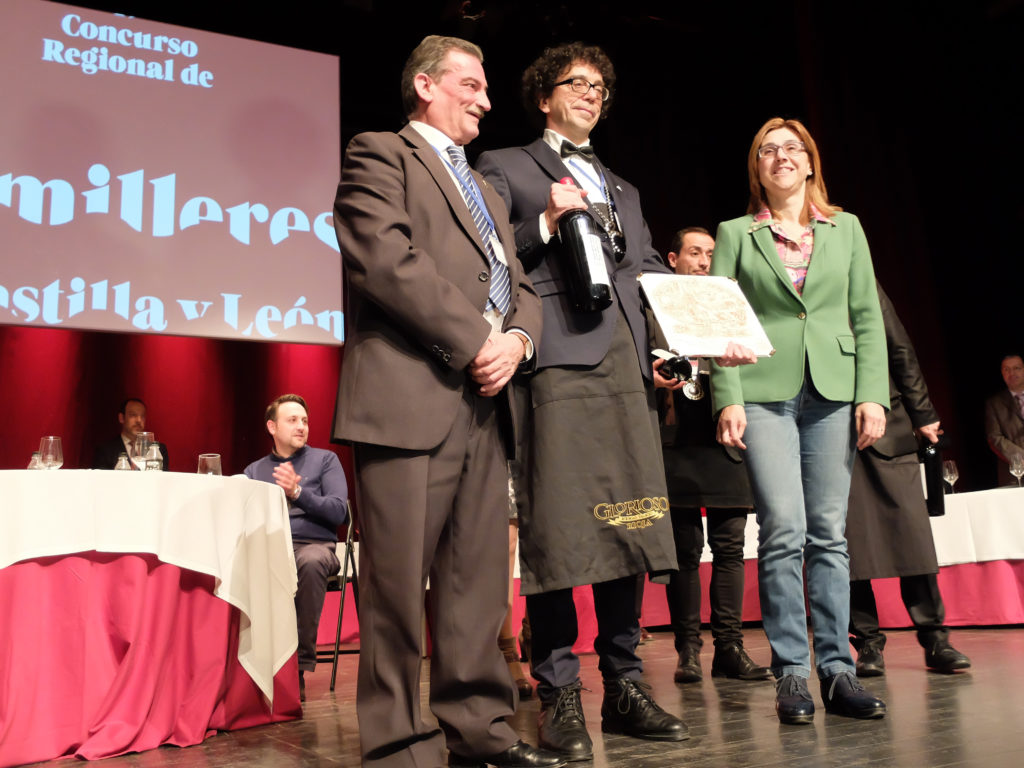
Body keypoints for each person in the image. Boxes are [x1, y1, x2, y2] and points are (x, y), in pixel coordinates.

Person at [477, 42, 751, 760]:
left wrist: (688, 339)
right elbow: (485, 253)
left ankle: (626, 683)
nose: (591, 94)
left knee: (632, 524)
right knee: (563, 531)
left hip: (629, 376)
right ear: (543, 96)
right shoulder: (506, 167)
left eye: (600, 87)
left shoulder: (624, 188)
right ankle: (560, 689)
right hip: (558, 369)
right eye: (576, 83)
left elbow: (649, 277)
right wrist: (543, 224)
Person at [331, 36, 557, 768]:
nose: (485, 101)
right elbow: (383, 258)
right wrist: (476, 339)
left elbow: (519, 283)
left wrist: (517, 340)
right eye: (471, 84)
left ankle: (481, 730)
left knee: (477, 582)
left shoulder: (488, 190)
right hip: (407, 398)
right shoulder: (379, 154)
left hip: (486, 401)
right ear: (426, 86)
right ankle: (399, 741)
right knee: (396, 586)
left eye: (486, 88)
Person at [711, 117, 889, 724]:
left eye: (792, 148)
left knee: (830, 535)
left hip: (834, 392)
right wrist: (726, 397)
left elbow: (866, 315)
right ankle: (792, 674)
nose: (780, 157)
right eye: (767, 150)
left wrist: (874, 395)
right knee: (784, 529)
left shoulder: (847, 230)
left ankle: (838, 670)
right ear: (757, 168)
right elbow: (721, 320)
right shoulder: (735, 233)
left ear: (810, 162)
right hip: (763, 393)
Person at [659, 227, 768, 684]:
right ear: (672, 259)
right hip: (675, 439)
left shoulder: (729, 303)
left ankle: (730, 648)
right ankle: (687, 651)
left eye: (709, 254)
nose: (704, 262)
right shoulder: (656, 305)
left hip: (723, 434)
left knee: (728, 546)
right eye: (694, 253)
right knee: (684, 551)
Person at [846, 286, 971, 677]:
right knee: (847, 543)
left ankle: (935, 638)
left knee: (911, 533)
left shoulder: (861, 279)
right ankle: (867, 642)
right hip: (830, 428)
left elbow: (900, 349)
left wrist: (922, 413)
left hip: (889, 420)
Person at [244, 394, 349, 700]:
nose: (301, 426)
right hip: (270, 550)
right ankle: (242, 668)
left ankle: (295, 666)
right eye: (292, 420)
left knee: (312, 560)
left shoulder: (326, 460)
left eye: (304, 420)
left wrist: (297, 492)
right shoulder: (255, 470)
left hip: (313, 547)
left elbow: (337, 512)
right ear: (272, 427)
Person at [91, 397, 168, 469]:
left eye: (143, 416)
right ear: (121, 418)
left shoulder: (158, 450)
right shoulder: (106, 450)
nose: (139, 420)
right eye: (133, 415)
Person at [984, 354, 1024, 486]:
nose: (1011, 373)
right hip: (1015, 473)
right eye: (1006, 369)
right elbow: (994, 437)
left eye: (1016, 368)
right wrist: (1020, 456)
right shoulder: (994, 403)